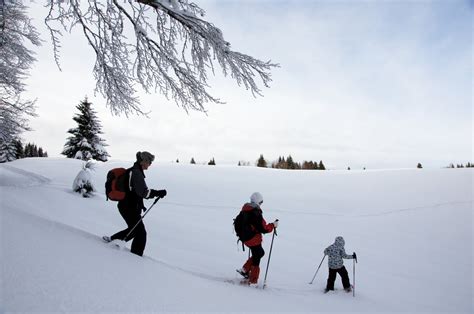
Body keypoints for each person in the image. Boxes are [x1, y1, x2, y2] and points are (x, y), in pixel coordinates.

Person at [103, 151, 167, 256]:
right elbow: (143, 192)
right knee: (141, 233)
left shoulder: (135, 171)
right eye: (149, 162)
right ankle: (135, 258)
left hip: (128, 206)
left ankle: (112, 241)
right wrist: (157, 193)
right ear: (143, 161)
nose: (150, 164)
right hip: (128, 207)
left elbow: (137, 192)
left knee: (134, 230)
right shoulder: (136, 173)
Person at [236, 192, 278, 285]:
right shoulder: (255, 212)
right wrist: (273, 225)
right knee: (258, 255)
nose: (261, 204)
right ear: (258, 202)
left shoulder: (245, 208)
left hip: (244, 238)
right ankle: (253, 280)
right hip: (252, 239)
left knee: (259, 253)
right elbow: (263, 228)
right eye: (261, 202)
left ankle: (245, 270)